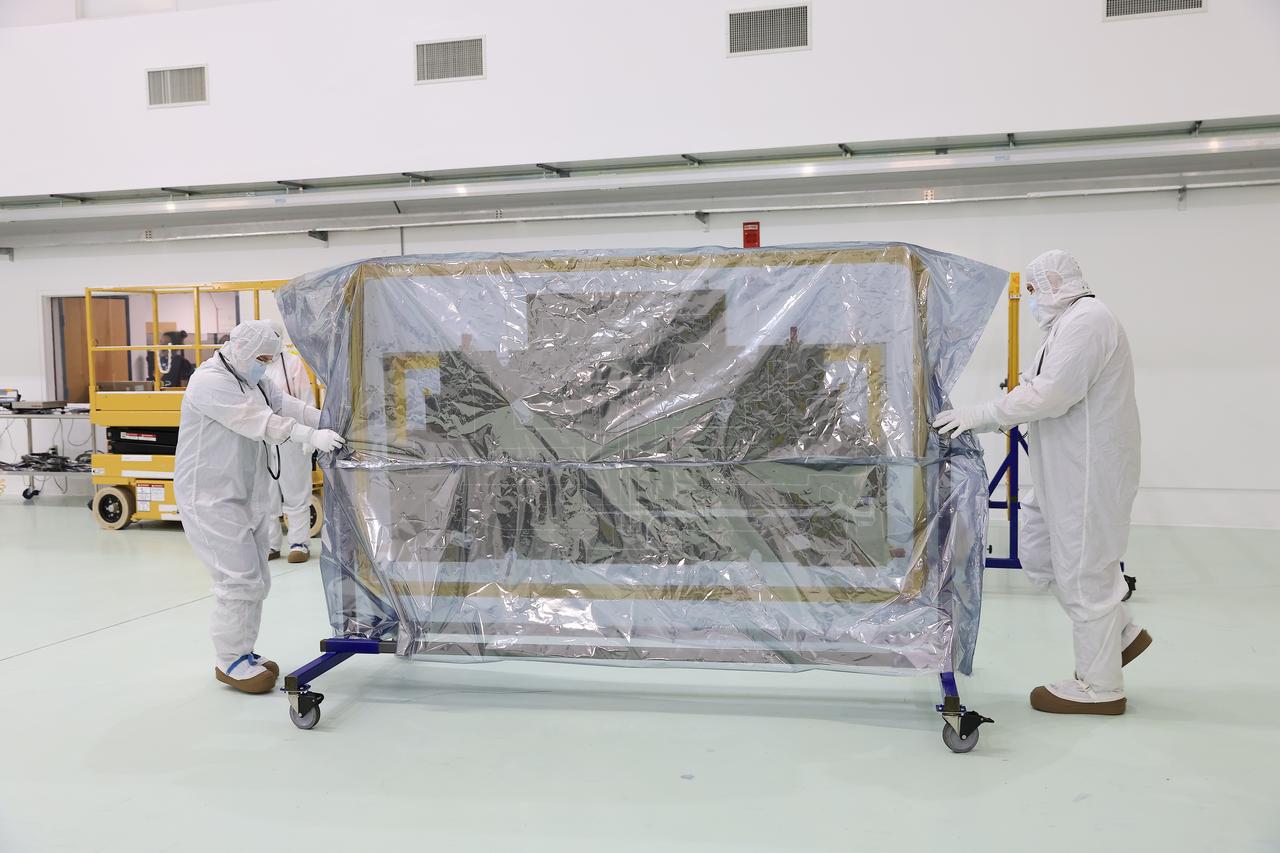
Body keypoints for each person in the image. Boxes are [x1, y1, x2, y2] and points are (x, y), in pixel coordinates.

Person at [933, 249, 1150, 716]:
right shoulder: (1067, 325)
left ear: (1052, 284)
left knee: (1083, 572)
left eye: (1032, 291)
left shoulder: (1089, 322)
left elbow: (1050, 395)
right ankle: (1122, 634)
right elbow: (1038, 385)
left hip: (1088, 470)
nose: (1030, 301)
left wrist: (979, 416)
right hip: (1063, 466)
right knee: (1036, 546)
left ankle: (1100, 687)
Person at [174, 320, 345, 694]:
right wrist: (308, 436)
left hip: (245, 492)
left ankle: (243, 653)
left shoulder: (252, 379)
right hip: (209, 497)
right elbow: (259, 421)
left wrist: (328, 420)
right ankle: (229, 659)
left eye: (270, 359)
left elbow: (284, 404)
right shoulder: (209, 382)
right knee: (237, 580)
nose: (265, 365)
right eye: (261, 358)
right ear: (240, 349)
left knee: (257, 579)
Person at [265, 342, 315, 564]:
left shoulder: (292, 364)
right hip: (262, 438)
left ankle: (299, 543)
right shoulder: (250, 366)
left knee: (296, 491)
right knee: (264, 493)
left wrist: (310, 434)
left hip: (291, 437)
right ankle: (270, 544)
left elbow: (306, 401)